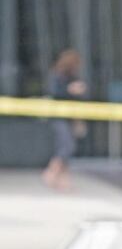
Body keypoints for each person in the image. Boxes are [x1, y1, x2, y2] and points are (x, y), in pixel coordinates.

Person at [42, 49, 87, 190]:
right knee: (65, 147)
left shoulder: (73, 77)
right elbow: (54, 93)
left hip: (69, 117)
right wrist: (69, 90)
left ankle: (63, 180)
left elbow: (78, 100)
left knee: (68, 147)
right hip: (58, 117)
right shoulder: (57, 75)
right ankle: (50, 173)